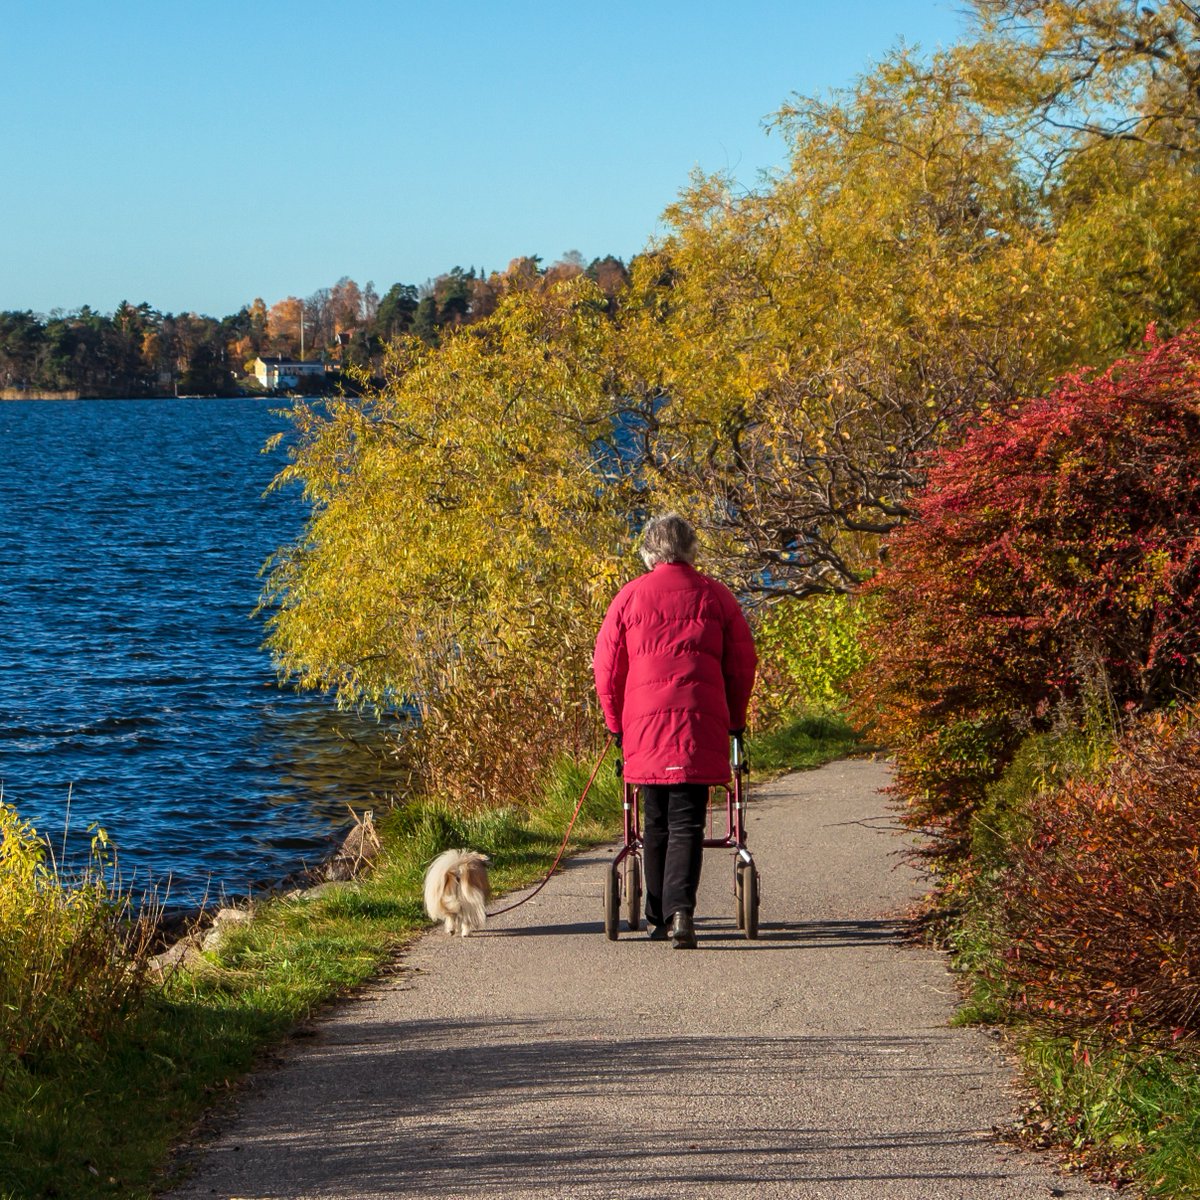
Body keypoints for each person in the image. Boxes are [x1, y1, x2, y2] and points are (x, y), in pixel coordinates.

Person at [593, 514, 757, 949]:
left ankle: (655, 915)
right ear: (690, 548)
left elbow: (607, 670)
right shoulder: (716, 595)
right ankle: (681, 911)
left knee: (654, 820)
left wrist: (615, 725)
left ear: (649, 550)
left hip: (644, 725)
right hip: (700, 722)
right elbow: (741, 665)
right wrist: (735, 719)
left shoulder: (629, 596)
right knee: (688, 820)